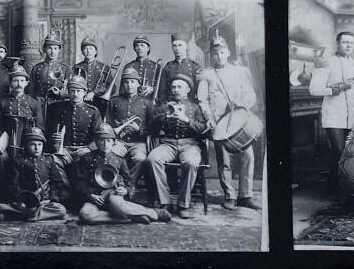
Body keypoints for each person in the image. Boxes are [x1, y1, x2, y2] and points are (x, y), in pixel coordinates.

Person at [196, 36, 261, 211]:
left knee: (248, 156)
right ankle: (229, 195)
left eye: (222, 52)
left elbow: (250, 94)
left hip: (238, 122)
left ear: (228, 52)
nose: (219, 56)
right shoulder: (206, 74)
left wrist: (242, 106)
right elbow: (202, 100)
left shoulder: (239, 72)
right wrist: (209, 118)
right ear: (211, 55)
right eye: (215, 53)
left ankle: (245, 196)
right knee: (224, 161)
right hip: (219, 124)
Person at [0, 128, 69, 222]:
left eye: (39, 144)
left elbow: (57, 182)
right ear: (26, 146)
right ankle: (23, 214)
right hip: (24, 201)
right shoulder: (18, 161)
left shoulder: (49, 160)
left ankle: (9, 214)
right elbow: (13, 185)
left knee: (61, 210)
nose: (36, 147)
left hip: (44, 202)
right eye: (33, 144)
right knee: (25, 207)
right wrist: (25, 196)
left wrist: (50, 199)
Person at [75, 125, 174, 225]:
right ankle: (130, 219)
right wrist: (90, 195)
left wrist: (126, 190)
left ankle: (153, 213)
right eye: (101, 140)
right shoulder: (86, 158)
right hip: (95, 195)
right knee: (84, 215)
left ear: (114, 142)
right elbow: (79, 182)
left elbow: (129, 182)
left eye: (109, 141)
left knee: (119, 207)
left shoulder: (119, 160)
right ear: (96, 142)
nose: (105, 144)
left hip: (113, 193)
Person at [147, 74, 209, 219]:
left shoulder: (195, 107)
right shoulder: (164, 107)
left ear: (187, 89)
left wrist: (186, 119)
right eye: (173, 87)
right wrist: (163, 117)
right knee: (152, 158)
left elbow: (204, 130)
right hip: (168, 144)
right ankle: (165, 201)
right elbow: (152, 130)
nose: (176, 90)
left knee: (191, 162)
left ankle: (183, 204)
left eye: (179, 87)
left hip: (190, 145)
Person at [308, 31, 354, 158]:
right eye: (345, 42)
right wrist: (339, 87)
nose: (349, 46)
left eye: (351, 43)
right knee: (339, 154)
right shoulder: (326, 62)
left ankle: (336, 178)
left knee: (349, 155)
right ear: (337, 43)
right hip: (334, 117)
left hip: (353, 116)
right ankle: (337, 178)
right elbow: (314, 89)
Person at [106, 68, 153, 197]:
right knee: (110, 155)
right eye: (126, 82)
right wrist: (116, 128)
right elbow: (108, 124)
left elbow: (152, 127)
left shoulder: (147, 103)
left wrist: (140, 130)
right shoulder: (115, 101)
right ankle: (113, 186)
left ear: (138, 84)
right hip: (120, 141)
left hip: (139, 142)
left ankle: (128, 187)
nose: (129, 85)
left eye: (132, 81)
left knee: (140, 158)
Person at [46, 75, 102, 164]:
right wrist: (53, 138)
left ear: (84, 92)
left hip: (85, 149)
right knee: (55, 162)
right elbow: (51, 132)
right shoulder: (60, 109)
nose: (75, 94)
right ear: (68, 92)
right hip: (65, 149)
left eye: (78, 91)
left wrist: (88, 148)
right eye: (72, 91)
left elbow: (99, 136)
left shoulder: (93, 111)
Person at [0, 65, 43, 159]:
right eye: (15, 81)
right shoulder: (2, 103)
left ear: (26, 83)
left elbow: (40, 126)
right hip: (7, 141)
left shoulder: (33, 103)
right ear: (10, 83)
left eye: (22, 81)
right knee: (2, 157)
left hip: (28, 141)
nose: (19, 84)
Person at [156, 34, 203, 103]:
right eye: (174, 46)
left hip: (190, 104)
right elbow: (162, 92)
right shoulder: (168, 67)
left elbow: (200, 92)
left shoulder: (195, 67)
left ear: (186, 46)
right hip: (171, 104)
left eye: (180, 45)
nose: (177, 48)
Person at [74, 37, 114, 112]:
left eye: (91, 48)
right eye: (85, 49)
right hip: (81, 102)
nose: (88, 51)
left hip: (99, 103)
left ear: (95, 51)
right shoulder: (76, 67)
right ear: (82, 52)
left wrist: (94, 93)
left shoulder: (104, 67)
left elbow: (111, 87)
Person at [31, 33, 72, 103]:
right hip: (39, 105)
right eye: (49, 48)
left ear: (59, 50)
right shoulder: (36, 68)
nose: (52, 52)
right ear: (44, 49)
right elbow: (31, 90)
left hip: (58, 105)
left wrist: (60, 93)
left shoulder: (65, 69)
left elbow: (71, 91)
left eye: (55, 48)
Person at [122, 35, 161, 101]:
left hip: (150, 101)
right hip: (132, 103)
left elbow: (162, 87)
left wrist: (153, 89)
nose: (139, 48)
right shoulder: (128, 66)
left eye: (142, 45)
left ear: (148, 48)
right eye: (137, 45)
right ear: (134, 49)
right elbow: (122, 89)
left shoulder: (156, 66)